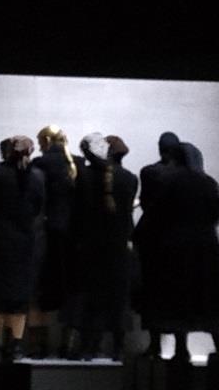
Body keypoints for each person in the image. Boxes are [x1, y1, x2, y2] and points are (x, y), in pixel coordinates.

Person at [147, 141, 219, 361]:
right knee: (209, 298)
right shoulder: (208, 182)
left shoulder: (168, 181)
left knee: (179, 299)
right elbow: (215, 213)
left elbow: (158, 213)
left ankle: (181, 349)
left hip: (176, 246)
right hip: (206, 245)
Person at [65, 133, 138, 361]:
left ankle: (89, 346)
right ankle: (118, 347)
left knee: (91, 297)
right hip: (119, 245)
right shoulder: (129, 178)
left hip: (90, 245)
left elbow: (77, 214)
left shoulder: (83, 177)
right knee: (118, 298)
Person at [0, 135, 44, 361]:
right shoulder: (36, 177)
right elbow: (38, 207)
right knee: (19, 296)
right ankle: (15, 344)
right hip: (24, 242)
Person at [26, 125, 81, 358]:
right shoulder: (78, 163)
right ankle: (69, 344)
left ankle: (39, 345)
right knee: (72, 290)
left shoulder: (39, 164)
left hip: (45, 235)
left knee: (40, 291)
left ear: (47, 141)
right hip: (74, 236)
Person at [134, 131, 183, 357]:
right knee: (178, 293)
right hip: (177, 239)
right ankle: (181, 346)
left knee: (152, 293)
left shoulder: (149, 172)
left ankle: (154, 344)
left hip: (153, 238)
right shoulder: (186, 174)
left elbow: (145, 202)